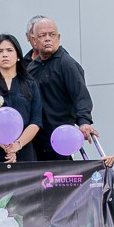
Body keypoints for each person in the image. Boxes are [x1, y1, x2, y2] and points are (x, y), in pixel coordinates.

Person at [26, 17, 97, 160]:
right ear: (34, 40)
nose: (48, 39)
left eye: (52, 35)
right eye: (42, 35)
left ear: (58, 37)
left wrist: (84, 122)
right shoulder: (31, 68)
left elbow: (81, 96)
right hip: (35, 138)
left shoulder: (67, 64)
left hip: (60, 137)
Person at [0, 34, 43, 163]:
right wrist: (7, 147)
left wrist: (17, 145)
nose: (5, 55)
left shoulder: (30, 83)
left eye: (9, 50)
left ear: (18, 56)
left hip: (23, 150)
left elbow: (36, 120)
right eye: (0, 51)